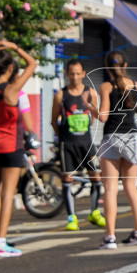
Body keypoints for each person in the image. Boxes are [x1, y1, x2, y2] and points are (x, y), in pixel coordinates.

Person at [0, 40, 36, 257]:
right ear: (10, 68)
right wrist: (14, 47)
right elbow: (32, 64)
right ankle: (1, 242)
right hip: (11, 148)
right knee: (7, 194)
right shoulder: (12, 91)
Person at [97, 50, 137, 249]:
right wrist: (136, 108)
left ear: (107, 68)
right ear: (126, 66)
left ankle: (110, 237)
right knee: (131, 187)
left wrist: (90, 108)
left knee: (110, 189)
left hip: (111, 136)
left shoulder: (105, 87)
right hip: (131, 137)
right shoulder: (136, 86)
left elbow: (103, 116)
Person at [51, 59, 105, 231]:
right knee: (67, 179)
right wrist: (64, 138)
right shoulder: (61, 95)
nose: (74, 77)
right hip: (67, 144)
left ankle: (94, 212)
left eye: (78, 73)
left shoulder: (91, 94)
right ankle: (71, 217)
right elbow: (53, 121)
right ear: (67, 75)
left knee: (96, 178)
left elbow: (94, 116)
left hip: (87, 143)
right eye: (71, 74)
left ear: (83, 74)